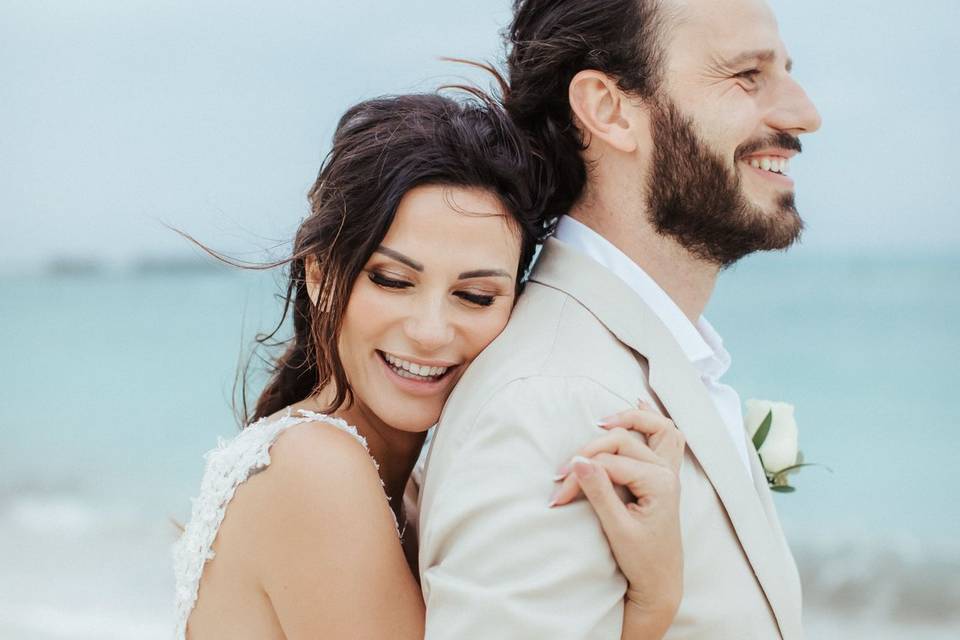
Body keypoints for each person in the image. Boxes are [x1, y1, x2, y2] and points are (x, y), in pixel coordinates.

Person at [172, 91, 686, 638]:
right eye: (392, 281)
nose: (429, 331)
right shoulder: (314, 469)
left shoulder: (407, 483)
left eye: (476, 296)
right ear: (320, 276)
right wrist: (655, 600)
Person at [417, 0, 822, 638]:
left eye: (786, 73)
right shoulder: (552, 404)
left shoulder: (628, 367)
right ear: (609, 110)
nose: (805, 114)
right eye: (748, 75)